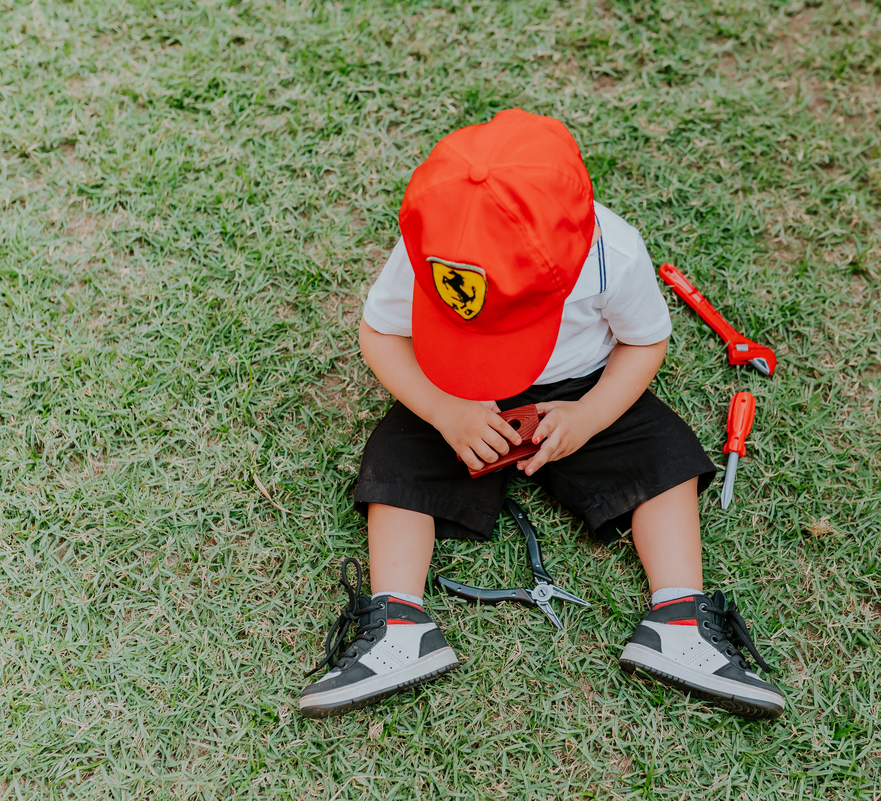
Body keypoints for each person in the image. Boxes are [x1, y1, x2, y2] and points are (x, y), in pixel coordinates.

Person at [299, 109, 784, 721]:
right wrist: (446, 412)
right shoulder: (432, 246)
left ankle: (679, 620)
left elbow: (643, 344)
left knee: (665, 454)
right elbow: (381, 335)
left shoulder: (613, 256)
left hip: (579, 388)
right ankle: (399, 622)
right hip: (457, 386)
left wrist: (591, 416)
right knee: (398, 454)